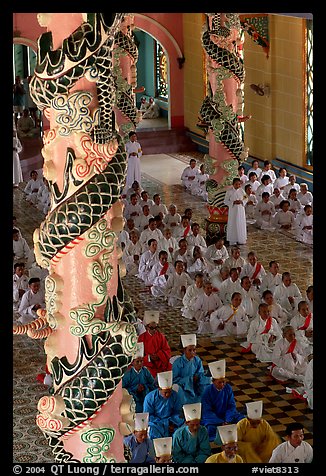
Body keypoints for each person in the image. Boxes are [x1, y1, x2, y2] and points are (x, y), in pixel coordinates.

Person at [201, 360, 246, 441]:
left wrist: (228, 420)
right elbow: (207, 410)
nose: (222, 385)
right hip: (213, 418)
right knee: (210, 428)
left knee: (243, 420)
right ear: (213, 381)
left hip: (228, 415)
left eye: (223, 382)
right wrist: (221, 422)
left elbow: (231, 405)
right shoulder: (207, 391)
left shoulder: (228, 388)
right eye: (219, 382)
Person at [143, 370, 184, 439]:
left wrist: (172, 423)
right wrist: (165, 424)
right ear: (159, 389)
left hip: (172, 422)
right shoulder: (150, 397)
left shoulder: (175, 396)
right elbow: (148, 416)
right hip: (156, 424)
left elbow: (178, 412)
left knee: (182, 431)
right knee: (153, 432)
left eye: (169, 392)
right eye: (165, 392)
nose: (168, 394)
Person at [172, 334, 211, 405]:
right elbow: (174, 379)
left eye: (194, 350)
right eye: (190, 350)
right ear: (184, 350)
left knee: (208, 385)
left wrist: (198, 377)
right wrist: (189, 379)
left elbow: (201, 372)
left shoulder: (197, 360)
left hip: (196, 385)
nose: (193, 352)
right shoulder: (177, 363)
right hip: (184, 386)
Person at [122, 343, 156, 412]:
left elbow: (152, 383)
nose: (140, 364)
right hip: (134, 398)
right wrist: (135, 388)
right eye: (137, 362)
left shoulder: (145, 371)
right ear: (132, 362)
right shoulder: (128, 374)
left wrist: (145, 387)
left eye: (141, 361)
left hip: (145, 396)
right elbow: (123, 390)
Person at [138, 311, 172, 378]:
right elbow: (138, 355)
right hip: (148, 364)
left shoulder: (161, 336)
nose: (154, 330)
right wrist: (149, 358)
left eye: (156, 328)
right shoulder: (141, 338)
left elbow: (167, 351)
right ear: (147, 327)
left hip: (161, 362)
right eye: (152, 328)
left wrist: (159, 355)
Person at [224, 177, 247, 246]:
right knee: (233, 223)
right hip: (233, 210)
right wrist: (233, 202)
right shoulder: (229, 191)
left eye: (239, 184)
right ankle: (232, 239)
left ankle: (241, 239)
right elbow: (225, 201)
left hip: (240, 210)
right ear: (233, 184)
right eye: (236, 184)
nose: (238, 186)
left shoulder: (242, 191)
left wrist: (242, 201)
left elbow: (246, 198)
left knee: (240, 223)